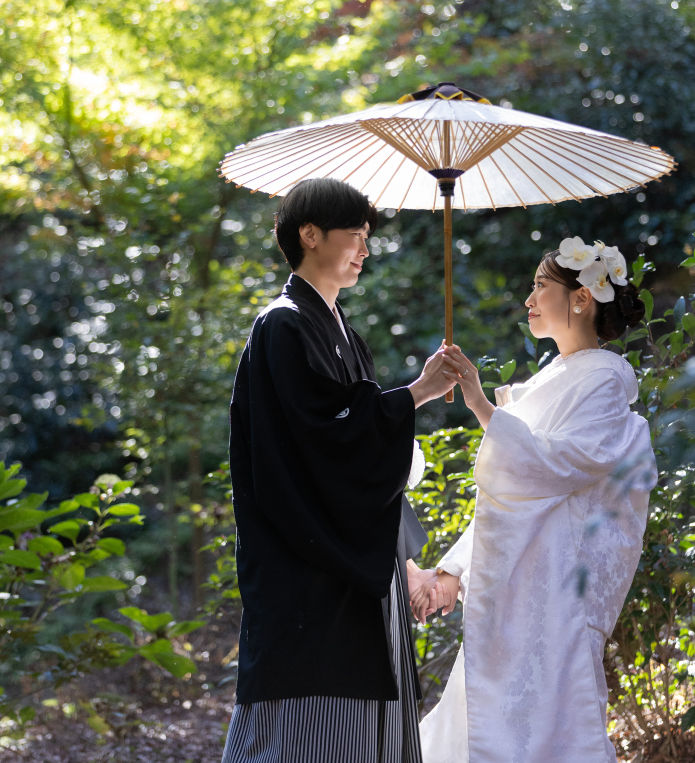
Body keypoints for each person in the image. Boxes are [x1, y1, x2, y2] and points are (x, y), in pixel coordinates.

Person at [222, 177, 456, 763]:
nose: (365, 249)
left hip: (353, 566)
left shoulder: (340, 330)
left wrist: (402, 560)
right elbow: (324, 443)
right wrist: (416, 394)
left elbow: (363, 449)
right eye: (356, 234)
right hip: (305, 571)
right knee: (306, 733)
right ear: (310, 234)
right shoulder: (282, 325)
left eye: (368, 235)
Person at [413, 236, 658, 763]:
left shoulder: (606, 380)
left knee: (547, 730)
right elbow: (511, 495)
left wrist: (480, 403)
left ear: (581, 298)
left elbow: (550, 467)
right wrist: (456, 569)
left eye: (540, 286)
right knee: (485, 718)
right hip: (520, 586)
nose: (528, 300)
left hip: (555, 593)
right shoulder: (560, 376)